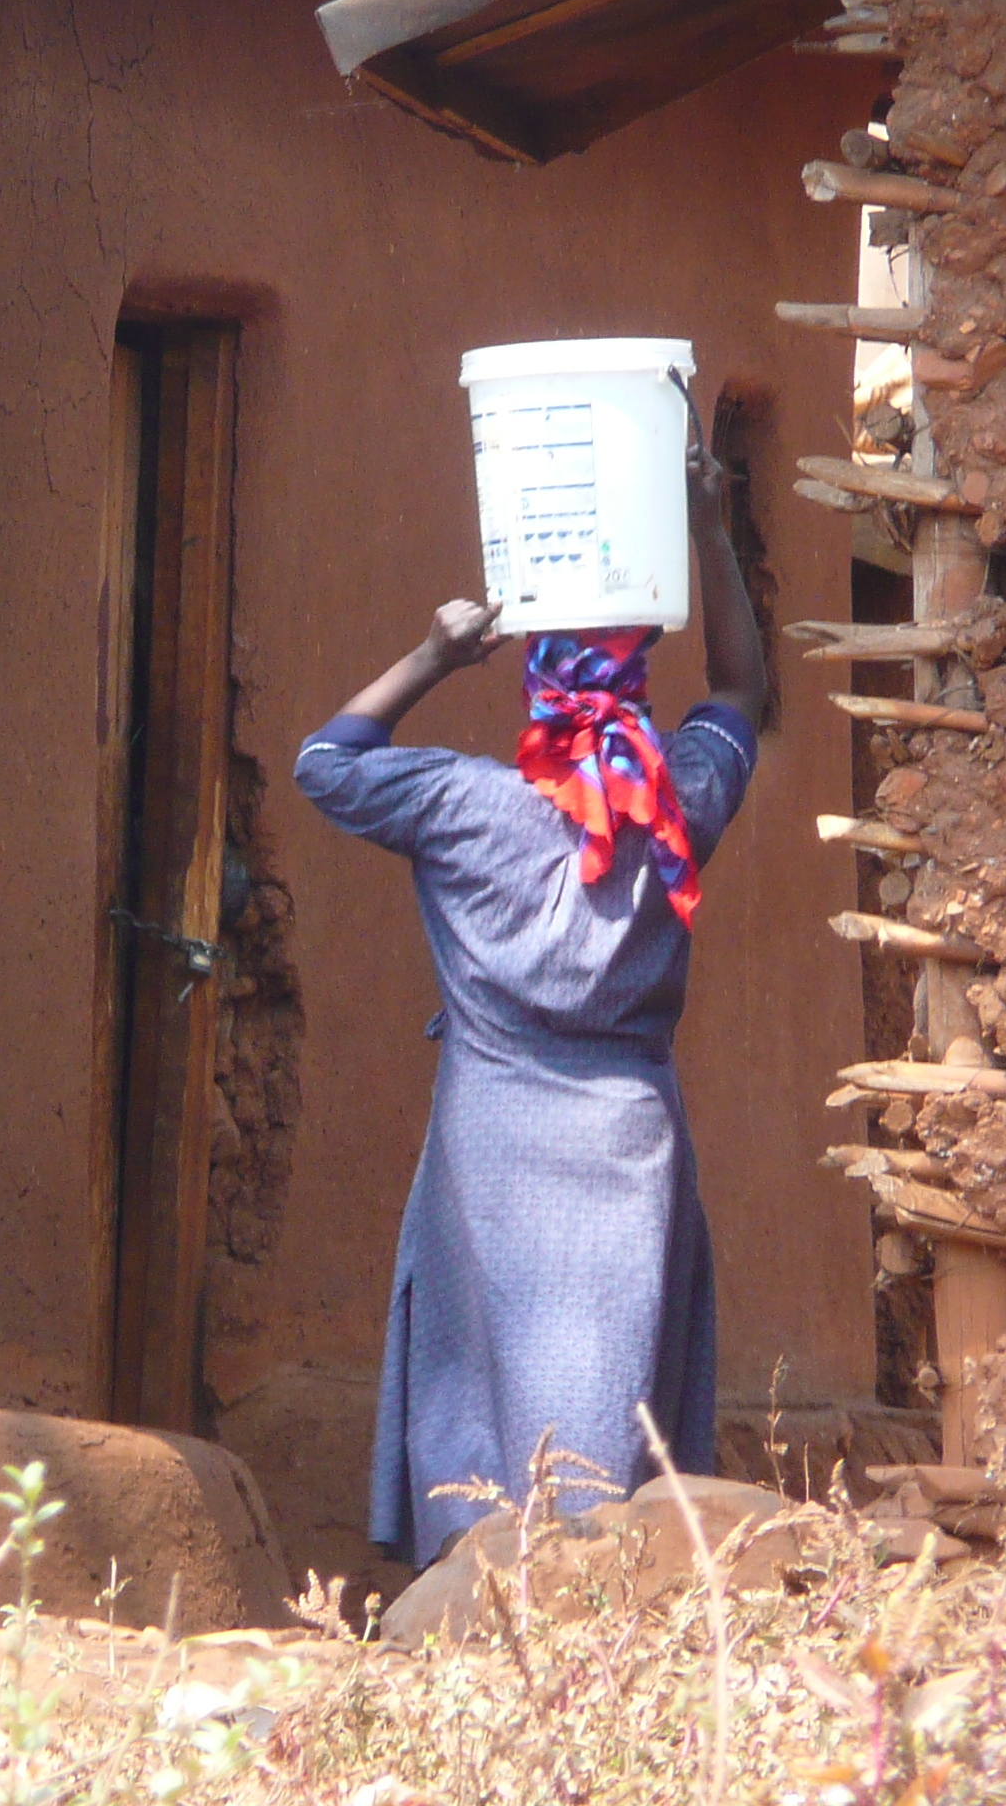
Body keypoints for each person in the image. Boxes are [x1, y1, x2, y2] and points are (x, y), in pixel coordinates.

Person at [293, 436, 771, 1567]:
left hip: (489, 1141)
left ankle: (473, 1596)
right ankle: (603, 1605)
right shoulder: (680, 805)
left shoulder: (461, 807)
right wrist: (710, 526)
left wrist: (431, 652)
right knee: (612, 1373)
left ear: (534, 692)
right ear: (635, 691)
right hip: (628, 1142)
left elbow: (326, 758)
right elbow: (746, 688)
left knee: (482, 1378)